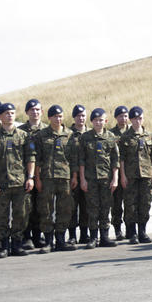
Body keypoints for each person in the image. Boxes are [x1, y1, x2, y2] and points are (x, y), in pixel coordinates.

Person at [33, 105, 76, 252]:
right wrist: (37, 179)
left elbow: (74, 159)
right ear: (49, 118)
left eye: (60, 116)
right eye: (55, 116)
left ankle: (60, 240)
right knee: (45, 209)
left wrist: (74, 177)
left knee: (65, 209)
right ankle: (48, 241)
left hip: (65, 177)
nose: (58, 119)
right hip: (47, 178)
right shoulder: (41, 135)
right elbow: (37, 159)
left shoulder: (70, 135)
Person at [0, 103, 36, 258]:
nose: (10, 115)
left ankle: (17, 244)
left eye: (12, 113)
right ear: (0, 116)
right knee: (1, 215)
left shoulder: (23, 135)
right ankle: (3, 245)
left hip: (20, 182)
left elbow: (30, 158)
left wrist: (31, 177)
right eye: (7, 113)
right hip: (2, 183)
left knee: (21, 214)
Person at [79, 108, 120, 249]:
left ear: (106, 121)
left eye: (101, 120)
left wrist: (115, 179)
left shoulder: (111, 137)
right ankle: (93, 238)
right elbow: (81, 160)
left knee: (105, 207)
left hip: (106, 179)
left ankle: (104, 237)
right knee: (92, 208)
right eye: (96, 120)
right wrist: (82, 179)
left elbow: (115, 160)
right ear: (91, 121)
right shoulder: (85, 137)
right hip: (90, 179)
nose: (98, 122)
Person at [119, 106, 152, 245]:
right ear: (130, 120)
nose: (137, 121)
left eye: (140, 118)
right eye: (135, 119)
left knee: (145, 203)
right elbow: (121, 159)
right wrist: (123, 176)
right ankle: (132, 233)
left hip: (146, 175)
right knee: (130, 204)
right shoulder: (125, 137)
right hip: (131, 176)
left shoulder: (149, 136)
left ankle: (142, 231)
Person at [19, 98, 44, 250]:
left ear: (42, 111)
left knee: (41, 206)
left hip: (43, 175)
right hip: (25, 175)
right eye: (32, 110)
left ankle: (38, 236)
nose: (35, 112)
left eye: (37, 109)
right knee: (26, 207)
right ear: (27, 112)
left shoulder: (47, 130)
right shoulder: (20, 131)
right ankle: (26, 237)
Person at [66, 104, 89, 245]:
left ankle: (84, 234)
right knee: (72, 206)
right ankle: (72, 235)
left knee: (86, 206)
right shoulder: (68, 134)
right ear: (74, 117)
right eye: (78, 116)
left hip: (88, 176)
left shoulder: (91, 133)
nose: (81, 118)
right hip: (71, 176)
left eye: (83, 115)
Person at [109, 105, 130, 241]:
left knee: (130, 203)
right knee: (116, 204)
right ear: (116, 117)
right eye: (121, 116)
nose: (124, 118)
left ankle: (130, 229)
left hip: (131, 172)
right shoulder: (111, 134)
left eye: (126, 116)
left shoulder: (133, 131)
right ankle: (117, 230)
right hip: (116, 173)